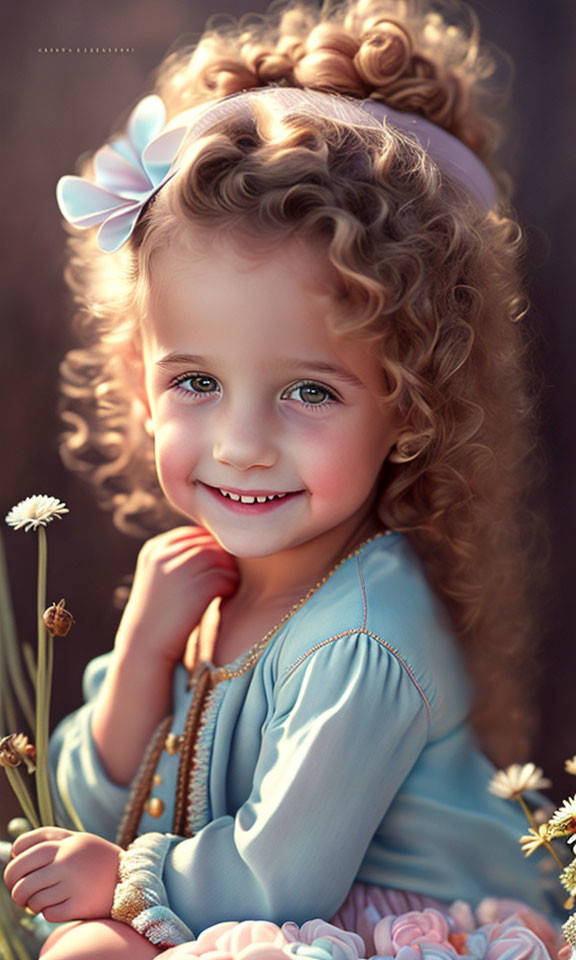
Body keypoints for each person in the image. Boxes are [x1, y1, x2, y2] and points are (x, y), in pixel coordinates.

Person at [2, 1, 569, 957]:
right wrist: (143, 654)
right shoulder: (210, 585)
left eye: (309, 389)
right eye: (195, 381)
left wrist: (120, 877)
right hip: (248, 913)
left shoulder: (364, 634)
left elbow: (283, 875)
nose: (243, 443)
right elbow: (89, 805)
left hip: (402, 933)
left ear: (409, 406)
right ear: (139, 383)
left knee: (92, 947)